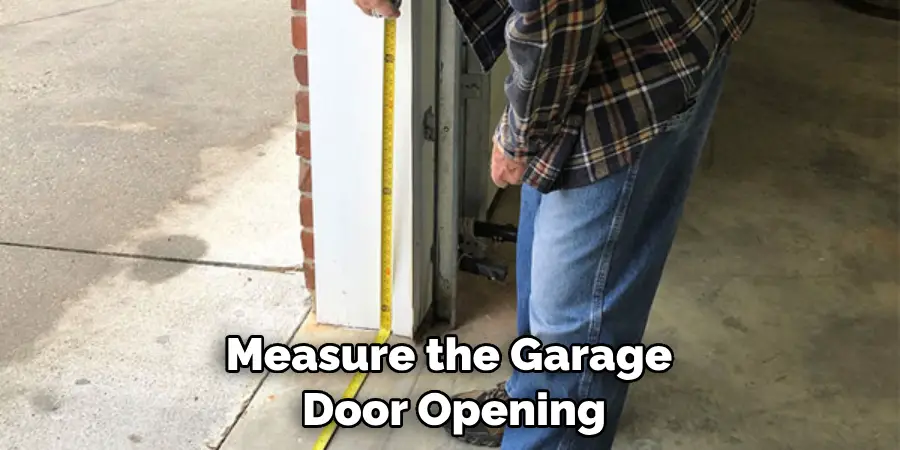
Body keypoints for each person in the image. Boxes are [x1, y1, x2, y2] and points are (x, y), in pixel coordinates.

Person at [354, 0, 757, 448]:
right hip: (627, 29)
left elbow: (561, 19)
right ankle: (534, 400)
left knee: (573, 329)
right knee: (546, 270)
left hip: (638, 56)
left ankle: (558, 420)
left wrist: (519, 137)